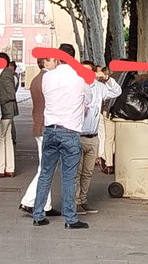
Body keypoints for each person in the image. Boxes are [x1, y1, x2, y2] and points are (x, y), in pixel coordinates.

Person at [33, 43, 90, 230]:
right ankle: (70, 218)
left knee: (45, 173)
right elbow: (88, 100)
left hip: (50, 129)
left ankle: (38, 214)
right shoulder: (80, 77)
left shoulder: (47, 77)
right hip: (70, 131)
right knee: (69, 177)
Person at [75, 62, 122, 216]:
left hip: (93, 136)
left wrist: (107, 78)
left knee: (88, 172)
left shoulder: (99, 87)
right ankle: (75, 202)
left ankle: (83, 200)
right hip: (77, 135)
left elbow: (116, 91)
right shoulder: (76, 86)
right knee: (76, 172)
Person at [20, 57, 55, 217]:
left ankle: (46, 204)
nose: (56, 63)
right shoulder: (47, 79)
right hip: (45, 127)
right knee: (45, 168)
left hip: (40, 126)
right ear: (45, 62)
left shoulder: (37, 79)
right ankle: (28, 201)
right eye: (53, 60)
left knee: (46, 168)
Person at [0, 54, 19, 177]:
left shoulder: (6, 74)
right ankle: (9, 168)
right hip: (8, 111)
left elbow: (10, 94)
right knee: (7, 139)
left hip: (4, 111)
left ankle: (0, 169)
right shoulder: (5, 73)